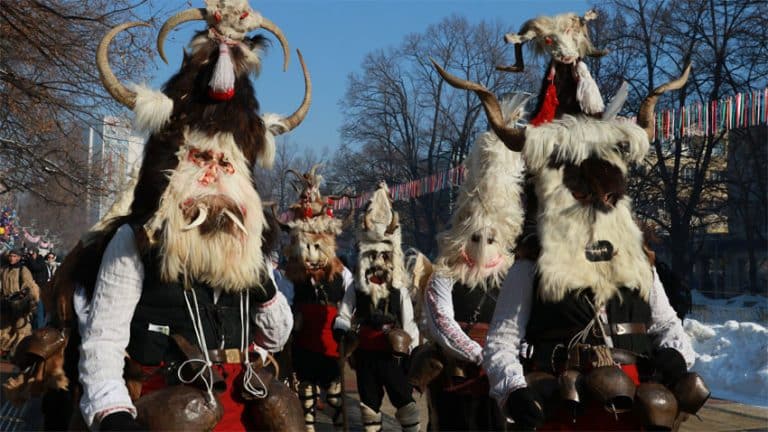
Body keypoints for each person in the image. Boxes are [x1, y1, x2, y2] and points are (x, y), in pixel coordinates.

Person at [44, 0, 310, 429]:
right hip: (165, 409)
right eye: (202, 159)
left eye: (225, 165)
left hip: (240, 413)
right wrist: (113, 414)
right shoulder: (135, 240)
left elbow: (277, 335)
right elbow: (105, 340)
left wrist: (260, 281)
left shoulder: (247, 251)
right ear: (175, 163)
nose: (213, 174)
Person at [421, 100, 527, 431]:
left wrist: (506, 360)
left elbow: (520, 321)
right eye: (475, 237)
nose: (483, 245)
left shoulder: (513, 274)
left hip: (500, 376)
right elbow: (442, 323)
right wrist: (480, 355)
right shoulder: (446, 273)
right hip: (458, 373)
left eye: (491, 238)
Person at [334, 183, 421, 432]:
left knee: (405, 405)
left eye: (383, 256)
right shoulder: (357, 288)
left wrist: (411, 353)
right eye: (372, 256)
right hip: (365, 356)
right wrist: (341, 330)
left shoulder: (398, 289)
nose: (377, 262)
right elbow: (343, 313)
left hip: (393, 356)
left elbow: (409, 323)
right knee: (369, 408)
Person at [280, 164, 355, 430]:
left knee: (335, 396)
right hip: (303, 341)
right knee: (306, 398)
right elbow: (284, 302)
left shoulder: (340, 273)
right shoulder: (290, 275)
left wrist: (347, 322)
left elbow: (352, 296)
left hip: (330, 340)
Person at [0, 249, 40, 355]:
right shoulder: (3, 269)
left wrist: (29, 300)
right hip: (5, 302)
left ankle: (18, 351)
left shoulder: (23, 270)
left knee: (21, 328)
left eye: (14, 256)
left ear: (18, 257)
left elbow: (29, 286)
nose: (11, 258)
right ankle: (5, 348)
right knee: (4, 327)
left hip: (19, 304)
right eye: (10, 256)